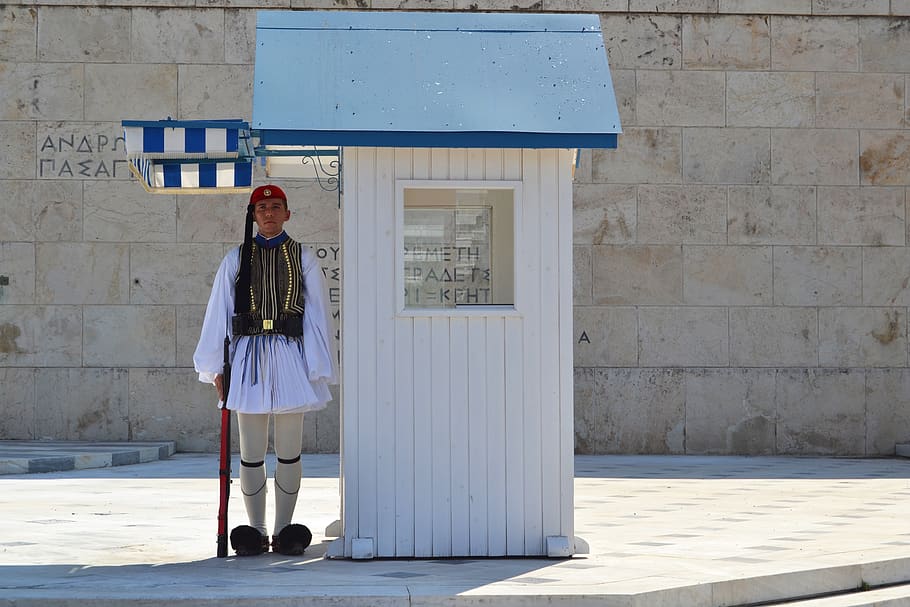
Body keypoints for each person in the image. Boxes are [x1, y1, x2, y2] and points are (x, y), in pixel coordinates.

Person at [193, 184, 338, 556]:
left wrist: (317, 364)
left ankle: (284, 529)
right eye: (262, 208)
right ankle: (255, 531)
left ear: (288, 214)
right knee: (251, 450)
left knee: (289, 450)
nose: (269, 214)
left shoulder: (302, 256)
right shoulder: (236, 258)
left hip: (290, 355)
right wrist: (214, 368)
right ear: (252, 215)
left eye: (276, 207)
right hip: (248, 357)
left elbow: (318, 313)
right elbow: (218, 313)